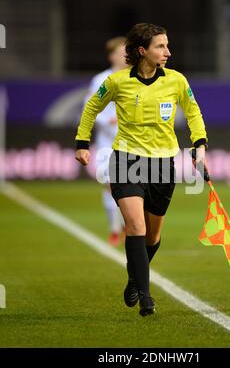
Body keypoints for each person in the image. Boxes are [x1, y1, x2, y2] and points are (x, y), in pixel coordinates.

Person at [75, 23, 208, 316]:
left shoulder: (176, 81)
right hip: (126, 160)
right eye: (161, 46)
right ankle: (146, 297)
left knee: (152, 236)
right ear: (142, 51)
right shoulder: (116, 82)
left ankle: (134, 277)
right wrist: (82, 142)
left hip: (162, 164)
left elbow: (194, 111)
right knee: (135, 227)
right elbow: (91, 108)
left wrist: (199, 146)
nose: (168, 52)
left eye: (167, 45)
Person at [84, 37, 127, 246]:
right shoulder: (100, 80)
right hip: (107, 145)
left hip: (133, 143)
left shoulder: (135, 78)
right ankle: (114, 228)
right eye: (120, 52)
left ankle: (129, 225)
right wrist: (109, 121)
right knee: (111, 185)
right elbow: (91, 109)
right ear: (112, 55)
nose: (125, 55)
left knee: (132, 187)